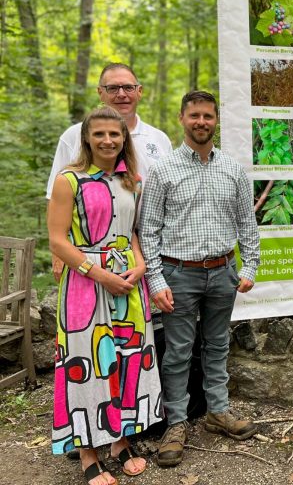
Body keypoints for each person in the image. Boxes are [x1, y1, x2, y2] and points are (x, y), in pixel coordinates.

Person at [139, 90, 261, 468]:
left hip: (223, 273)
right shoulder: (164, 170)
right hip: (179, 275)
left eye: (208, 115)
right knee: (177, 352)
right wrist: (157, 281)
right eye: (194, 115)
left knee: (218, 345)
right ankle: (176, 423)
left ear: (216, 121)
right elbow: (148, 231)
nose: (201, 122)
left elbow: (247, 222)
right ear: (182, 118)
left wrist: (249, 266)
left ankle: (217, 412)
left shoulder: (232, 168)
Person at [48, 106, 163, 485]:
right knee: (89, 364)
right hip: (85, 285)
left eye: (115, 134)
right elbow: (57, 240)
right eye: (99, 134)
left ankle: (120, 439)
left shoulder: (131, 179)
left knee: (128, 360)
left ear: (124, 139)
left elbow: (130, 232)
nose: (108, 140)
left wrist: (142, 264)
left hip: (128, 285)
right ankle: (87, 452)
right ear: (86, 138)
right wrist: (98, 275)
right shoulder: (70, 180)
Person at [47, 63, 173, 280]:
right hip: (88, 253)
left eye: (128, 88)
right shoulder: (74, 135)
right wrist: (58, 254)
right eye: (113, 88)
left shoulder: (159, 139)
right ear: (100, 92)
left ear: (139, 91)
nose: (121, 94)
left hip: (153, 248)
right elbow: (54, 196)